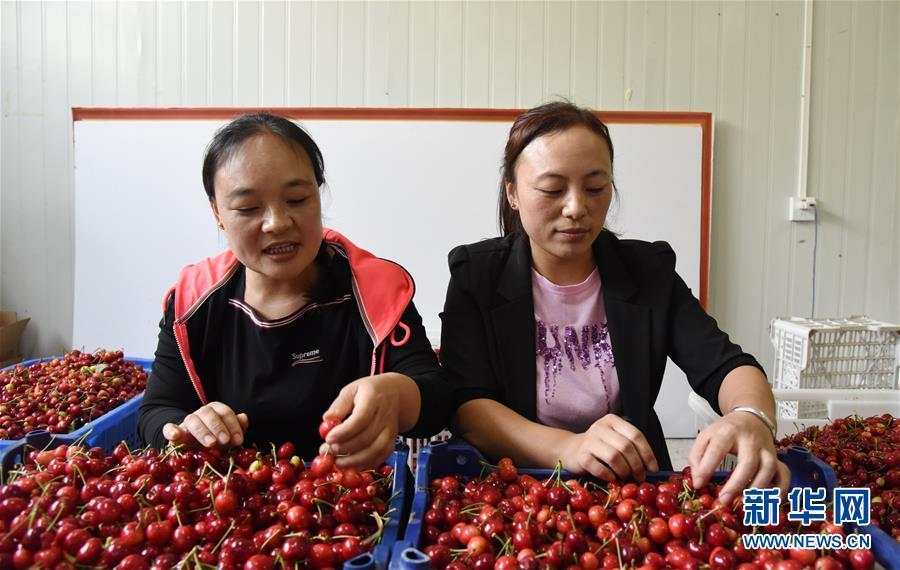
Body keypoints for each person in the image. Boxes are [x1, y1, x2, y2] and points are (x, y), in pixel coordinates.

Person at [439, 101, 787, 505]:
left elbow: (725, 364)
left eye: (595, 188)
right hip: (519, 486)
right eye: (552, 189)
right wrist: (568, 448)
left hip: (632, 486)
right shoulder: (477, 276)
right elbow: (469, 406)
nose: (576, 208)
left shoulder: (647, 271)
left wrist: (752, 416)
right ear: (513, 193)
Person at [139, 112, 450, 468]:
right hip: (234, 499)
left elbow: (437, 398)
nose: (277, 223)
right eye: (248, 208)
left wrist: (399, 395)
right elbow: (156, 410)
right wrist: (184, 427)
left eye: (297, 200)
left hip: (349, 500)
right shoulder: (192, 303)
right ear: (217, 213)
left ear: (318, 196)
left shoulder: (375, 292)